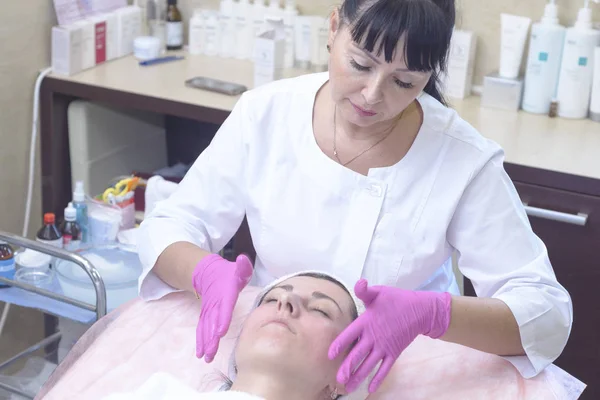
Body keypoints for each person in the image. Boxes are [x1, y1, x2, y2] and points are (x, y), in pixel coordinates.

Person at [137, 0, 573, 394]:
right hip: (279, 362)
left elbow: (546, 315)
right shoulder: (266, 114)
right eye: (360, 65)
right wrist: (202, 271)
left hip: (406, 369)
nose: (372, 95)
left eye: (403, 82)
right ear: (333, 28)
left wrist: (434, 314)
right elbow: (172, 225)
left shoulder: (462, 160)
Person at [103, 272, 362, 400]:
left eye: (321, 310)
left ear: (346, 373)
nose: (286, 299)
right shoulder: (161, 393)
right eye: (271, 299)